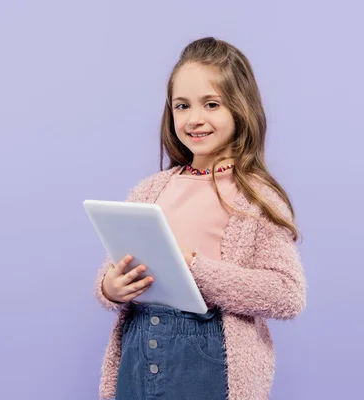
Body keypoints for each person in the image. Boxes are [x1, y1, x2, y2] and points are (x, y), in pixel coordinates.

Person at [93, 37, 307, 400]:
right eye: (182, 105)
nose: (194, 119)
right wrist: (110, 288)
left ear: (240, 110)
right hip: (138, 350)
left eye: (211, 104)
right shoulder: (149, 190)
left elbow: (287, 294)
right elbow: (116, 265)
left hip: (207, 357)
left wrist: (195, 267)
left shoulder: (256, 198)